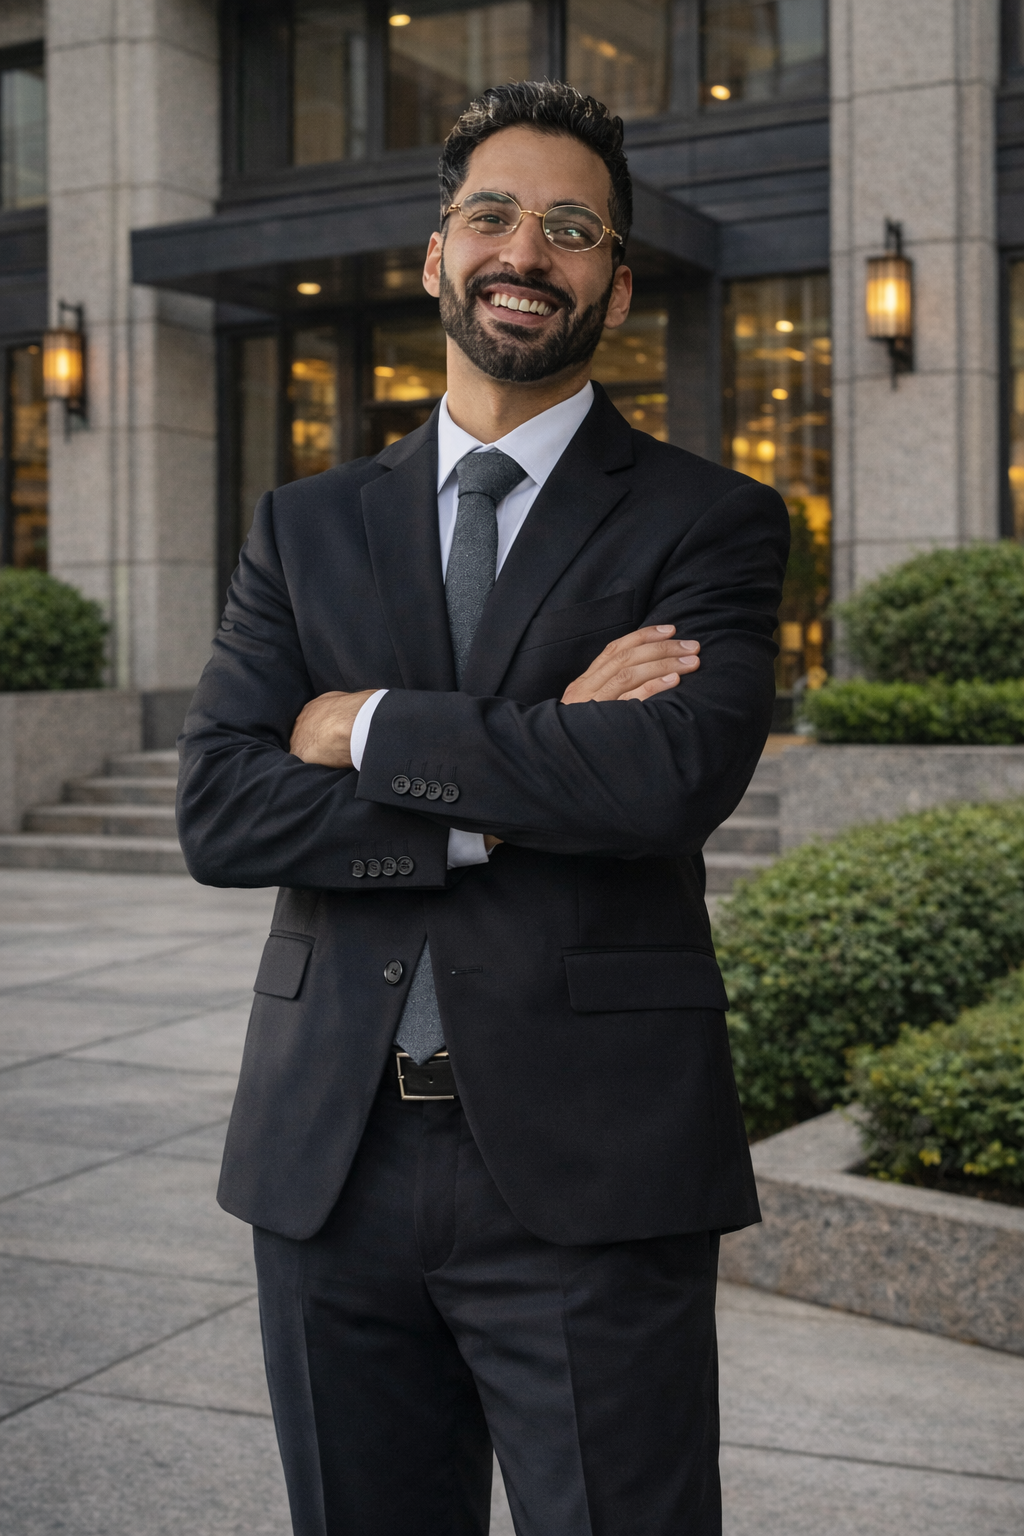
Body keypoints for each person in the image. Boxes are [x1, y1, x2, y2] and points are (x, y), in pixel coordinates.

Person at [178, 79, 788, 1536]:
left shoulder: (709, 520)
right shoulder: (304, 525)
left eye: (572, 229)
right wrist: (529, 765)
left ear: (617, 285)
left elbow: (664, 781)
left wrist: (363, 726)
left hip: (594, 1170)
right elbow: (223, 810)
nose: (528, 252)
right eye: (495, 216)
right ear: (437, 255)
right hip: (328, 1163)